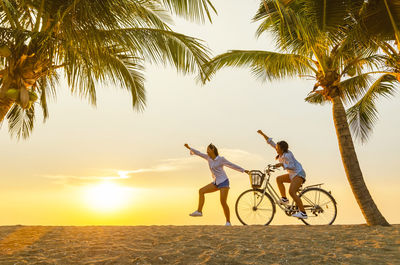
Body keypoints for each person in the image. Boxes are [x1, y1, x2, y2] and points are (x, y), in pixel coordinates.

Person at [184, 143, 249, 226]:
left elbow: (231, 165)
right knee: (201, 191)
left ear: (213, 150)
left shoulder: (221, 159)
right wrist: (189, 147)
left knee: (223, 202)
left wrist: (244, 170)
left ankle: (228, 222)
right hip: (216, 182)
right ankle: (199, 211)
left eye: (208, 149)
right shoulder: (208, 158)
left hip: (224, 181)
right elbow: (198, 153)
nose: (206, 150)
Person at [257, 130, 308, 219]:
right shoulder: (280, 153)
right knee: (279, 179)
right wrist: (262, 134)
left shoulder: (287, 155)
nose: (276, 149)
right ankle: (284, 199)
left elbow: (291, 166)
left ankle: (303, 213)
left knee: (292, 192)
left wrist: (282, 164)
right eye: (276, 148)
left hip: (298, 174)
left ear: (282, 149)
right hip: (293, 174)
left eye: (277, 148)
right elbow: (270, 142)